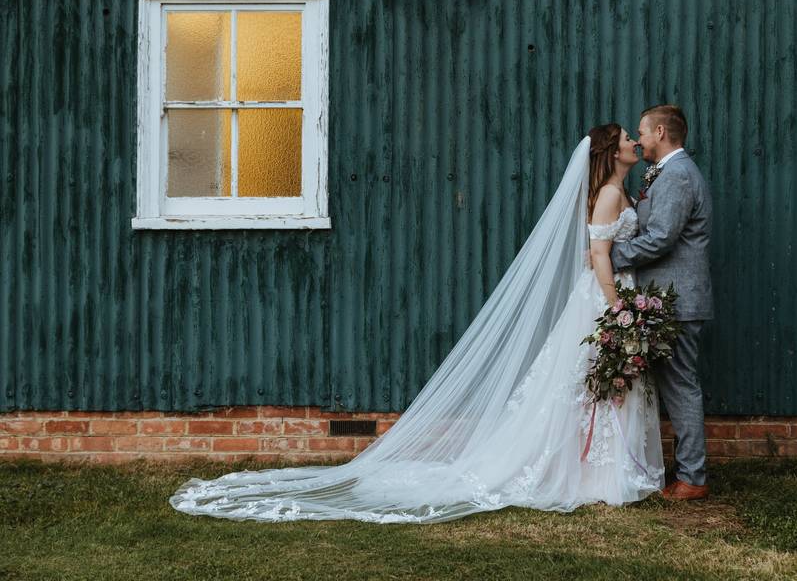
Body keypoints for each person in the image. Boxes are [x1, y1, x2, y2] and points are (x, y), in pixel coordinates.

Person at [169, 124, 664, 524]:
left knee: (597, 386)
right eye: (626, 139)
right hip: (605, 299)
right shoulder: (606, 195)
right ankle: (595, 475)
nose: (633, 143)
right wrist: (617, 307)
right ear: (610, 151)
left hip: (611, 295)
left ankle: (601, 473)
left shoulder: (618, 191)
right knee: (591, 385)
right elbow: (599, 255)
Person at [611, 104, 714, 501]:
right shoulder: (667, 173)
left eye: (641, 132)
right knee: (671, 386)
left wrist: (610, 256)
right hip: (669, 297)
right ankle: (680, 470)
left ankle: (693, 478)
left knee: (681, 386)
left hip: (679, 299)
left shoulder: (678, 175)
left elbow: (660, 238)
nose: (637, 140)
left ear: (659, 131)